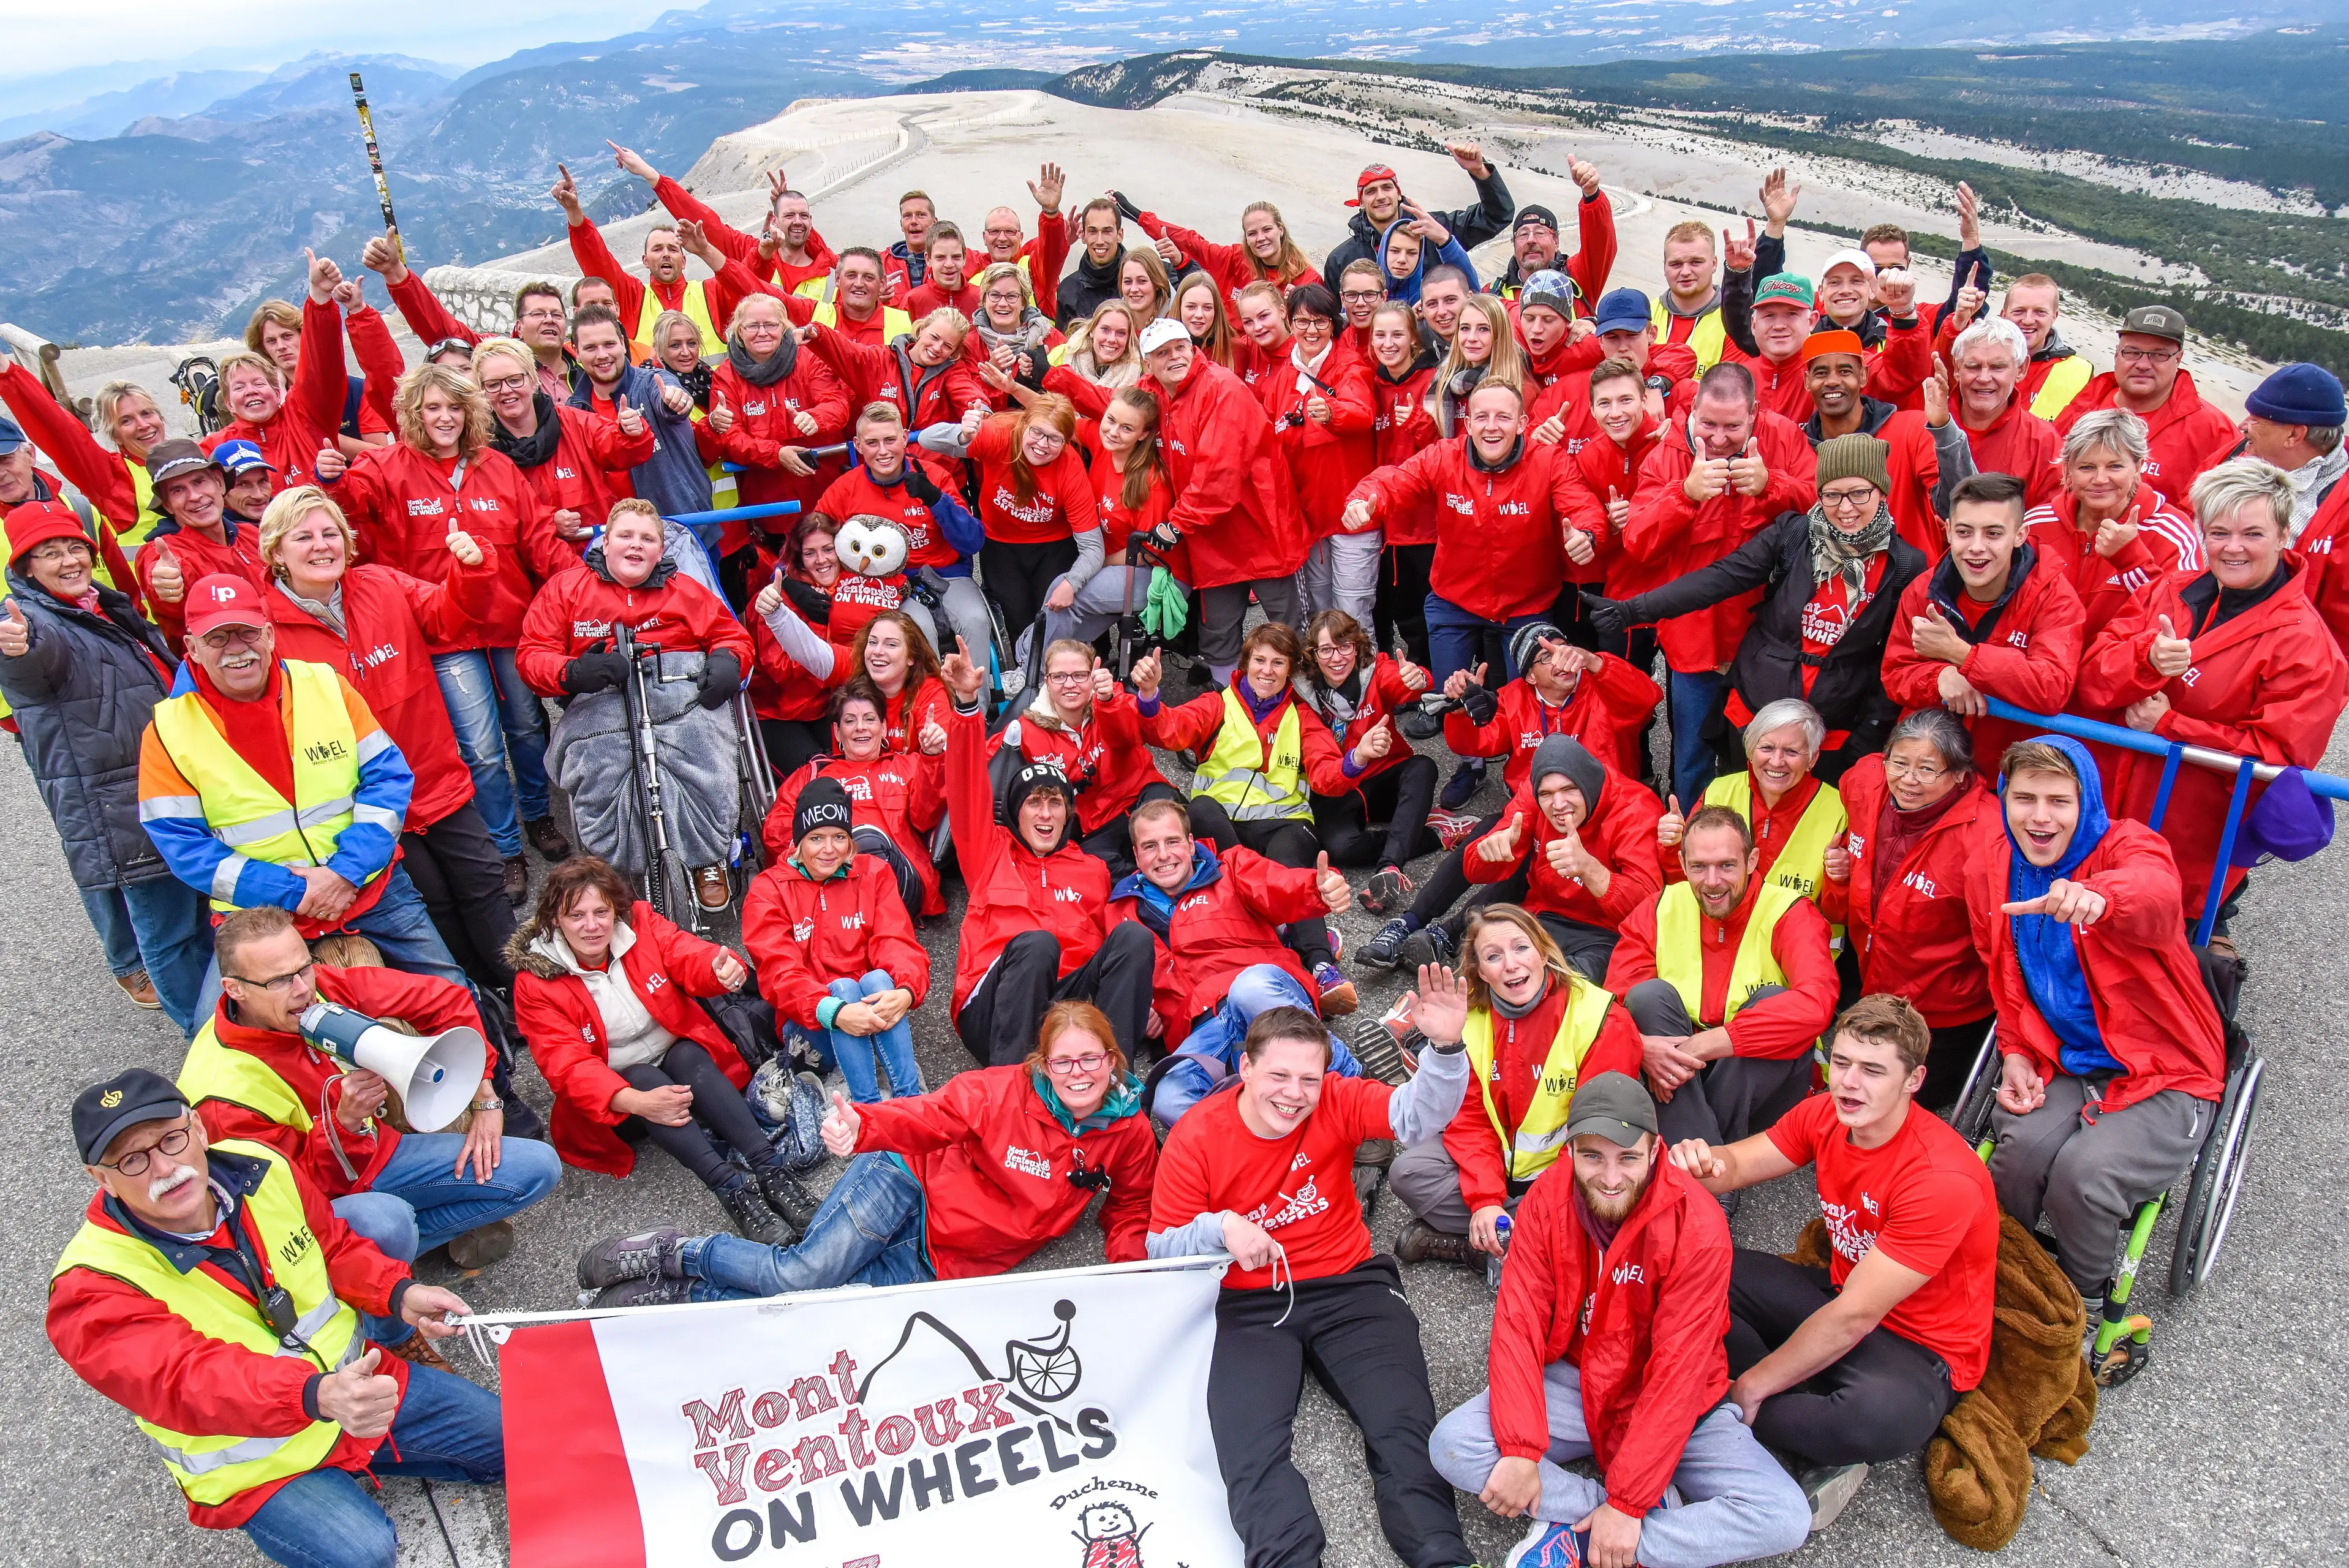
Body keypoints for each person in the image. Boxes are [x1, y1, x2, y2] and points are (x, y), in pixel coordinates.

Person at [49, 1068, 493, 1567]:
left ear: (197, 1129)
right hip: (263, 1465)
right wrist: (315, 1395)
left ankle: (366, 1454)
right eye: (131, 1159)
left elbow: (332, 1247)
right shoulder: (90, 1287)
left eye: (170, 1140)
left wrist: (397, 1293)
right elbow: (185, 1381)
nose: (162, 1167)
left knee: (509, 1439)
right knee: (365, 1555)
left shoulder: (262, 1167)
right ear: (99, 1179)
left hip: (358, 1390)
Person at [1429, 1069, 1812, 1568]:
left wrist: (1627, 1501)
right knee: (1453, 1446)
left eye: (1627, 1158)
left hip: (1678, 1404)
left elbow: (1679, 1370)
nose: (1610, 1179)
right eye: (1592, 1157)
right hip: (1578, 1380)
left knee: (1784, 1518)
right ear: (1569, 1153)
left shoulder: (1697, 1224)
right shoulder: (1547, 1197)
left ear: (1655, 1152)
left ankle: (1586, 1541)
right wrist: (1523, 1450)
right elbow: (1518, 1324)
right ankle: (1612, 1518)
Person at [1148, 1000, 1474, 1568]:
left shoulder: (1338, 1100)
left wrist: (1445, 1051)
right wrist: (1219, 1227)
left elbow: (1416, 1118)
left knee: (1404, 1426)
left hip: (1348, 1284)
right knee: (1248, 1454)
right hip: (1245, 1305)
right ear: (1244, 1069)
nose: (1294, 1094)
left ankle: (1445, 1557)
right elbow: (1161, 1248)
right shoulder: (1198, 1135)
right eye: (1277, 1075)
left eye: (1308, 1078)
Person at [578, 1000, 1157, 1305]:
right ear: (1043, 1063)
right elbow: (929, 1116)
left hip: (944, 1259)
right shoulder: (1000, 1091)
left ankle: (681, 1294)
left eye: (1090, 1060)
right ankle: (676, 1252)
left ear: (1112, 1061)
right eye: (1063, 1061)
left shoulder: (1127, 1133)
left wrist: (1131, 1274)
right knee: (800, 1275)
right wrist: (866, 1127)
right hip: (907, 1182)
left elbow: (1132, 1206)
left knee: (820, 1313)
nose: (1077, 1074)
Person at [1667, 995, 1999, 1523]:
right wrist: (1696, 1160)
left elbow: (1855, 1318)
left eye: (1872, 1070)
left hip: (1919, 1350)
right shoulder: (1825, 1112)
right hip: (1838, 1295)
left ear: (1913, 1081)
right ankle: (1783, 1408)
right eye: (1841, 1062)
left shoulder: (1941, 1180)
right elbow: (1734, 1165)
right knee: (1688, 1273)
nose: (1848, 1082)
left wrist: (1753, 1384)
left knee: (1878, 1421)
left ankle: (1739, 1401)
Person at [1964, 737, 2229, 1319]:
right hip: (2063, 1055)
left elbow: (2156, 893)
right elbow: (2003, 977)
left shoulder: (2126, 845)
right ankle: (2009, 1276)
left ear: (2086, 805)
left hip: (2164, 1067)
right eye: (2024, 798)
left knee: (2083, 1176)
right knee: (2017, 1157)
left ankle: (2079, 1303)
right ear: (2003, 799)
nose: (2038, 817)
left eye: (2058, 801)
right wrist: (2012, 1052)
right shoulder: (1992, 863)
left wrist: (2098, 896)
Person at [176, 900, 555, 1303]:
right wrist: (344, 1125)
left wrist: (484, 1097)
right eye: (280, 981)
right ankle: (375, 1292)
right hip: (322, 1198)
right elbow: (290, 1198)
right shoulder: (223, 1094)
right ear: (234, 989)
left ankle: (383, 1261)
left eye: (304, 967)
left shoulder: (314, 988)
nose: (305, 990)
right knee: (387, 1224)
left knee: (539, 1168)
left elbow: (446, 999)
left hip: (377, 1153)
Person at [138, 575, 475, 1003]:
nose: (237, 648)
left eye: (247, 632)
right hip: (257, 916)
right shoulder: (167, 730)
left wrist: (345, 873)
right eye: (217, 638)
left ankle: (490, 1072)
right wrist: (297, 891)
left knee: (453, 996)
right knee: (217, 1039)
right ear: (191, 648)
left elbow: (388, 779)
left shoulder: (326, 685)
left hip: (366, 887)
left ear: (269, 634)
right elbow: (183, 847)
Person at [319, 363, 582, 892]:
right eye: (433, 408)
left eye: (455, 407)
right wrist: (331, 478)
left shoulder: (498, 467)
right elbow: (348, 509)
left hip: (510, 622)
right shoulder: (386, 467)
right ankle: (505, 844)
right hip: (441, 634)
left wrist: (581, 584)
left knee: (528, 728)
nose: (445, 418)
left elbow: (536, 539)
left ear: (471, 412)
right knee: (480, 746)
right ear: (413, 414)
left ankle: (537, 815)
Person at [255, 486, 517, 989]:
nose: (321, 545)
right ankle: (479, 999)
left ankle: (525, 992)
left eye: (330, 532)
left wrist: (471, 570)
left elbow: (447, 616)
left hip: (436, 777)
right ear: (276, 552)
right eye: (303, 536)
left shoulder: (380, 583)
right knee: (433, 900)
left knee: (484, 883)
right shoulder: (267, 628)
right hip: (366, 806)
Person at [2074, 458, 2349, 922]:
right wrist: (2146, 659)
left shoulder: (2308, 647)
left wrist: (2168, 726)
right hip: (2101, 817)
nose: (2232, 548)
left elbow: (2276, 761)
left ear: (2284, 535)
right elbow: (2090, 681)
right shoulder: (2170, 590)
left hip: (2190, 843)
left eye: (2252, 534)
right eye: (2218, 532)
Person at [509, 856, 816, 1241]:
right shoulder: (534, 983)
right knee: (643, 1078)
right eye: (577, 916)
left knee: (688, 1055)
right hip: (619, 1095)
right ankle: (731, 1190)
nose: (592, 926)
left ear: (616, 910)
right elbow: (567, 1066)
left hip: (677, 1053)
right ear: (555, 920)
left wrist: (719, 969)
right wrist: (635, 1102)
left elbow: (686, 952)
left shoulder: (640, 923)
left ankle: (773, 1172)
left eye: (601, 912)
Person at [1596, 433, 1923, 784]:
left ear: (1882, 492)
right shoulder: (1795, 535)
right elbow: (1720, 579)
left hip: (1832, 732)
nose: (1845, 508)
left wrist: (1868, 736)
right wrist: (1631, 611)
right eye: (1832, 495)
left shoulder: (1903, 566)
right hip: (1754, 715)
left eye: (1860, 493)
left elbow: (1895, 661)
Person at [0, 500, 211, 1030]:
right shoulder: (36, 622)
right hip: (121, 811)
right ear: (26, 568)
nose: (69, 561)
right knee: (169, 933)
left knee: (204, 924)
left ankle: (229, 1029)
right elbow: (29, 663)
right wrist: (13, 650)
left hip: (163, 793)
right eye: (50, 553)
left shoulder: (101, 606)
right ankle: (204, 1042)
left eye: (75, 548)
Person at [516, 499, 755, 908]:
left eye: (647, 539)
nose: (636, 545)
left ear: (660, 552)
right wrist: (571, 672)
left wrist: (727, 661)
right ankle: (610, 869)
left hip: (680, 691)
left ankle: (708, 856)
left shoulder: (685, 591)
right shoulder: (566, 589)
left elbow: (731, 636)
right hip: (602, 697)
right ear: (605, 543)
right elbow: (532, 654)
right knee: (600, 767)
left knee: (706, 755)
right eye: (625, 535)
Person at [939, 637, 1156, 1063]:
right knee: (1037, 944)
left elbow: (1125, 947)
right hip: (995, 1006)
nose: (1044, 813)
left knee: (1133, 936)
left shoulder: (1091, 868)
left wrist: (1157, 998)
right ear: (1015, 814)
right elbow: (966, 790)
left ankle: (1114, 1085)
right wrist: (966, 708)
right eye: (1033, 802)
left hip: (1067, 1011)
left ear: (1068, 814)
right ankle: (1009, 1094)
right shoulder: (988, 851)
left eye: (1054, 802)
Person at [1390, 902, 1645, 1265]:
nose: (1511, 964)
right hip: (1500, 1170)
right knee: (1409, 1172)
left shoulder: (1601, 1019)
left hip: (1569, 1174)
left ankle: (1481, 1248)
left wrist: (1541, 1202)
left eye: (1521, 948)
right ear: (1481, 972)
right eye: (1494, 956)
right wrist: (1486, 1201)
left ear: (1543, 951)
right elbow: (1470, 1122)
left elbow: (1596, 1140)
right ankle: (1515, 1242)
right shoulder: (1470, 1022)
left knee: (1603, 1201)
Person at [1617, 362, 1814, 807]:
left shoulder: (1782, 437)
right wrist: (1683, 495)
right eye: (1708, 424)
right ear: (1691, 410)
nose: (1719, 438)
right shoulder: (1667, 456)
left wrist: (1773, 485)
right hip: (1693, 639)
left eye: (1732, 426)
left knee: (1765, 752)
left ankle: (1759, 842)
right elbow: (1637, 542)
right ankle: (1690, 841)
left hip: (1764, 639)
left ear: (1754, 415)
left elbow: (1827, 503)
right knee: (1691, 754)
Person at [1133, 625, 1358, 1011]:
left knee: (1289, 860)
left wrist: (1357, 759)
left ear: (1291, 670)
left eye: (1278, 662)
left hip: (1285, 823)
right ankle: (1274, 923)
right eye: (1259, 660)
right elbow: (1169, 730)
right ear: (1245, 664)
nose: (1267, 670)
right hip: (1224, 825)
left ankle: (1321, 964)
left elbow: (1327, 776)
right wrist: (1151, 694)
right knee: (1199, 810)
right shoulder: (1218, 704)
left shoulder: (1302, 716)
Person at [1343, 380, 1583, 728]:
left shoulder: (1548, 460)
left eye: (1503, 416)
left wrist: (1587, 534)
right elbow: (1394, 479)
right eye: (1481, 416)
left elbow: (1580, 506)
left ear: (1523, 423)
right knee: (1452, 698)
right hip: (1454, 599)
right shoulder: (1444, 455)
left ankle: (1527, 774)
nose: (1491, 426)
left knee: (1530, 704)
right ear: (1468, 424)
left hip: (1527, 604)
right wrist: (1363, 499)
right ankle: (1469, 767)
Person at [1115, 796, 1363, 1123]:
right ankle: (1264, 1150)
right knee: (1168, 1098)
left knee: (1249, 988)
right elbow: (1112, 974)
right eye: (1149, 846)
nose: (1163, 855)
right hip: (1204, 1029)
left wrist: (1318, 889)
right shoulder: (1120, 912)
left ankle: (1352, 1083)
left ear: (1191, 844)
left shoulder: (1229, 868)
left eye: (1172, 841)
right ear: (1136, 855)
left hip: (1262, 997)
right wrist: (1140, 1009)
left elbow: (1279, 886)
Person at [1606, 804, 1837, 1146]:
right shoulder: (1659, 907)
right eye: (1699, 867)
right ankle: (1716, 1169)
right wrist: (1642, 1046)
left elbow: (1817, 1005)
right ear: (1683, 864)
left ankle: (1691, 1149)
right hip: (1682, 1074)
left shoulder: (1791, 911)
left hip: (1758, 1082)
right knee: (1647, 996)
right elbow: (1611, 1007)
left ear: (1753, 861)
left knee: (1773, 1001)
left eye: (1727, 866)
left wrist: (1708, 1044)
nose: (1713, 883)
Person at [1828, 712, 1997, 1109]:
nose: (1907, 780)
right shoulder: (1865, 781)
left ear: (1958, 775)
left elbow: (2001, 946)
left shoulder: (1987, 836)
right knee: (1857, 1090)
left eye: (1926, 770)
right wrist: (1840, 872)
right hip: (1872, 983)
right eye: (1899, 763)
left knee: (1904, 1102)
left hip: (1942, 1013)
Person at [1137, 318, 1310, 682]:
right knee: (1218, 631)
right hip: (1212, 539)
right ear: (1148, 364)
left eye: (1180, 347)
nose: (1174, 357)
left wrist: (1176, 524)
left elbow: (1219, 475)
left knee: (1290, 627)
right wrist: (1056, 381)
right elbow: (1114, 407)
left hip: (1261, 529)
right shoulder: (1155, 392)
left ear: (1192, 347)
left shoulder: (1221, 389)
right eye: (1162, 353)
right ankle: (1227, 709)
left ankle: (1302, 702)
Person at [742, 775, 930, 1106]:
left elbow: (896, 942)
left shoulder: (873, 872)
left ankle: (909, 1101)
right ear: (799, 842)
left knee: (879, 979)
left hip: (871, 1011)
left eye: (839, 837)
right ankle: (867, 1107)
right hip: (813, 1023)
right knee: (842, 988)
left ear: (850, 841)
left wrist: (905, 991)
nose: (829, 850)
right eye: (817, 838)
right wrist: (836, 1011)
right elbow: (779, 974)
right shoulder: (768, 890)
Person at [1880, 471, 2086, 768]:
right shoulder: (1924, 589)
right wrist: (1939, 678)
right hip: (1930, 767)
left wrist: (1962, 656)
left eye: (1993, 534)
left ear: (2020, 535)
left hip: (2010, 771)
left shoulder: (2054, 597)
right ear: (1948, 531)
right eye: (1965, 532)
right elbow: (1895, 673)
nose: (1977, 547)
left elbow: (2051, 688)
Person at [1458, 737, 1665, 982]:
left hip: (1606, 933)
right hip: (1544, 916)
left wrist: (1590, 869)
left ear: (1587, 784)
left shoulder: (1636, 809)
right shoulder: (1533, 793)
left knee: (1568, 984)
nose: (1558, 805)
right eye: (1547, 794)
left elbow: (1649, 913)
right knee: (1493, 973)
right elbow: (1472, 871)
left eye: (1569, 790)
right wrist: (1488, 853)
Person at [805, 400, 992, 665]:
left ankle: (974, 705)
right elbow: (811, 539)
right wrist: (791, 580)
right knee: (914, 629)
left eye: (890, 440)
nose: (883, 452)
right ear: (858, 446)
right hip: (888, 583)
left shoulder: (934, 476)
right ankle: (930, 701)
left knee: (976, 619)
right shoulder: (845, 489)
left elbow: (973, 541)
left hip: (946, 573)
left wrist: (936, 500)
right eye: (872, 443)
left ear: (905, 439)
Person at [1292, 610, 1447, 908]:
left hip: (1383, 777)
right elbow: (1322, 774)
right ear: (1313, 655)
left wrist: (1416, 679)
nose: (1337, 658)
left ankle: (1390, 868)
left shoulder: (1373, 671)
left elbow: (1402, 681)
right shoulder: (1303, 701)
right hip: (1340, 787)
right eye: (1326, 650)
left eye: (1345, 646)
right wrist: (1357, 756)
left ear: (1357, 647)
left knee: (1424, 767)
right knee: (1341, 849)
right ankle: (1432, 834)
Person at [763, 676, 946, 919]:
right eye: (850, 721)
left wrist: (932, 758)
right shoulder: (814, 774)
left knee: (867, 839)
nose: (861, 727)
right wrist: (816, 852)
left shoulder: (908, 766)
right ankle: (847, 924)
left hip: (898, 880)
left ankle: (854, 921)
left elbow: (927, 819)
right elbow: (776, 829)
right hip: (826, 878)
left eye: (869, 719)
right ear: (838, 732)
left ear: (882, 728)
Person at [927, 394, 1103, 639]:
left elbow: (1093, 547)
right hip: (1000, 544)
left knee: (1051, 620)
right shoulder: (1001, 434)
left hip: (1053, 545)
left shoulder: (1070, 468)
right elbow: (928, 440)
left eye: (1054, 439)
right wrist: (963, 434)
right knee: (1018, 620)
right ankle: (1025, 675)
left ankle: (1063, 669)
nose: (1042, 445)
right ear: (1024, 425)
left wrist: (1072, 583)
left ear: (1066, 442)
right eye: (1037, 433)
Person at [1653, 701, 1847, 919]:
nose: (1777, 761)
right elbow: (1683, 885)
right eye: (1767, 748)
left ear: (1812, 759)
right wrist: (1673, 845)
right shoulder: (1718, 791)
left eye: (1791, 751)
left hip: (1801, 943)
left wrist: (1839, 879)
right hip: (1723, 935)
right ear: (1750, 750)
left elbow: (1838, 914)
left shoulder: (1839, 810)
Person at [997, 638, 1174, 877]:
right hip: (1096, 824)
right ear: (1047, 683)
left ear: (1093, 677)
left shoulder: (1114, 700)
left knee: (1173, 833)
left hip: (1141, 797)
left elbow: (1131, 737)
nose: (1070, 684)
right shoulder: (1026, 730)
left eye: (1080, 675)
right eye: (1059, 677)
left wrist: (1112, 701)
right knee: (1095, 873)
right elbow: (984, 764)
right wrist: (944, 743)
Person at [2024, 408, 2201, 641]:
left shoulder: (2171, 533)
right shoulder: (2036, 525)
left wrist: (2131, 559)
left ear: (2138, 468)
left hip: (2115, 672)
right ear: (2067, 470)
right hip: (2043, 667)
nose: (2100, 480)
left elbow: (2179, 619)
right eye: (2087, 467)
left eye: (2115, 467)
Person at [474, 330, 656, 548]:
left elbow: (617, 447)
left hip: (597, 560)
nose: (506, 391)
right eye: (493, 385)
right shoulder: (479, 450)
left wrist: (631, 432)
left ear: (533, 381)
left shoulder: (575, 423)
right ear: (482, 393)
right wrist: (549, 522)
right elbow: (494, 519)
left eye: (515, 380)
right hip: (535, 572)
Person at [1263, 285, 1379, 626]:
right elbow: (1271, 440)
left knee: (1352, 616)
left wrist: (1331, 413)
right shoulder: (1284, 377)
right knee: (1319, 613)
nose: (1311, 331)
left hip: (1351, 517)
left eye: (1320, 322)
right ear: (1290, 323)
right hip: (1310, 519)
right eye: (1302, 322)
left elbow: (1362, 413)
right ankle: (1325, 678)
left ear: (1333, 325)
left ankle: (1363, 678)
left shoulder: (1349, 367)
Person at [1798, 331, 1972, 554]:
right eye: (1821, 373)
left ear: (1863, 376)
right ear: (1807, 381)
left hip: (1908, 582)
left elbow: (1961, 504)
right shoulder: (1797, 445)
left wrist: (1944, 429)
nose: (1832, 381)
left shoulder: (1911, 429)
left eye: (1845, 371)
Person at [554, 165, 755, 355]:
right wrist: (575, 214)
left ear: (684, 261)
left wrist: (762, 252)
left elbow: (747, 285)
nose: (666, 254)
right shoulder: (634, 299)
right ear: (645, 261)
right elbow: (598, 261)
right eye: (657, 249)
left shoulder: (711, 293)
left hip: (709, 392)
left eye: (673, 249)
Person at [0, 343, 167, 568]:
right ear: (114, 435)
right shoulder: (113, 478)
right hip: (156, 602)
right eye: (126, 421)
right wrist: (8, 376)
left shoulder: (195, 458)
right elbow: (61, 433)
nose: (143, 425)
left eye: (147, 414)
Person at [2055, 304, 2236, 508]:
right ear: (2117, 355)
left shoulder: (2214, 430)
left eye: (2159, 355)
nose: (2143, 364)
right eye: (2132, 352)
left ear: (2178, 359)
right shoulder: (2083, 407)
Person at [207, 251, 352, 491]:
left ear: (278, 392)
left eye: (259, 384)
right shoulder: (216, 449)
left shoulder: (305, 417)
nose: (251, 392)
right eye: (239, 387)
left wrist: (319, 300)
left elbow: (323, 367)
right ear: (229, 403)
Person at [706, 292, 854, 524]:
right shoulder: (725, 376)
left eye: (771, 325)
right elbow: (731, 438)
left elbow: (837, 405)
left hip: (824, 496)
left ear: (784, 328)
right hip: (769, 505)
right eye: (753, 326)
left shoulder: (809, 359)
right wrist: (775, 454)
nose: (762, 332)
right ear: (740, 332)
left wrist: (816, 418)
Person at [564, 297, 714, 524]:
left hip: (683, 529)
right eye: (591, 348)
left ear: (623, 344)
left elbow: (669, 396)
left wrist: (677, 400)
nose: (602, 355)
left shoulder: (651, 381)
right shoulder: (574, 410)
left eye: (609, 344)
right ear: (576, 351)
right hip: (618, 541)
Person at [135, 439, 274, 647]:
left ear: (219, 483)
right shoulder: (163, 550)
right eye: (177, 490)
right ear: (168, 505)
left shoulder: (252, 534)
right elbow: (159, 573)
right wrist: (165, 584)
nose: (195, 496)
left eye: (199, 481)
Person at [1364, 301, 1444, 668]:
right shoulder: (1371, 381)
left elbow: (1448, 448)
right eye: (1380, 335)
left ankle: (1426, 680)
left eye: (1398, 334)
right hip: (1379, 517)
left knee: (1421, 610)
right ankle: (1382, 678)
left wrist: (1419, 423)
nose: (1388, 343)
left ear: (1414, 339)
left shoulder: (1433, 381)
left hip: (1423, 523)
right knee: (1379, 604)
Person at [1322, 141, 1515, 284]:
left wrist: (1479, 172)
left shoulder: (1434, 228)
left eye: (1387, 188)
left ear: (1399, 194)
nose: (1381, 196)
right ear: (1361, 203)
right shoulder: (1341, 259)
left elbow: (1498, 215)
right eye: (1371, 192)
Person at [1947, 315, 2062, 510]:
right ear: (1957, 368)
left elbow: (2048, 522)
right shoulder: (1927, 426)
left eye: (1998, 367)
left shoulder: (2044, 443)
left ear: (2021, 369)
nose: (1984, 378)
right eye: (1973, 366)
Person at [1134, 196, 1321, 315]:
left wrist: (1296, 307)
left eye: (1267, 230)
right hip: (1226, 349)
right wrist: (1140, 217)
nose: (1261, 238)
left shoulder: (1307, 280)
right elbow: (1193, 243)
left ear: (1280, 230)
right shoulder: (1235, 259)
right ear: (1246, 238)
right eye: (1252, 233)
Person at [2235, 362, 2347, 539]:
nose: (2242, 426)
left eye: (2256, 420)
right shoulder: (2235, 452)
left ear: (2294, 435)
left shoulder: (2343, 511)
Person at [1488, 164, 1615, 306]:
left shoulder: (1577, 278)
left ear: (1556, 241)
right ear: (1514, 244)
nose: (1531, 240)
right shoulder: (1493, 294)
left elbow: (1600, 244)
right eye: (1523, 235)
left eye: (1540, 233)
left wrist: (1592, 196)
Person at [1653, 219, 1727, 369]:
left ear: (1714, 264)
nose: (1685, 272)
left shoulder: (1733, 324)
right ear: (1664, 267)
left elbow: (1730, 390)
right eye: (1676, 264)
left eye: (1696, 262)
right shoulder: (1645, 315)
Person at [1057, 196, 1128, 328]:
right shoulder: (1068, 290)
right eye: (1093, 232)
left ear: (1120, 235)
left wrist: (1180, 264)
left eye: (1107, 231)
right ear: (1083, 235)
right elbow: (1064, 346)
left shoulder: (1143, 280)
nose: (1100, 241)